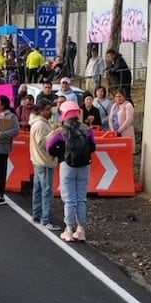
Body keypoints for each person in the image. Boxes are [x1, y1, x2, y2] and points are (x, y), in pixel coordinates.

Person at [47, 100, 97, 242]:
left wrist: (60, 153)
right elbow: (93, 147)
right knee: (81, 198)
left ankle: (68, 229)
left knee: (69, 199)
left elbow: (50, 147)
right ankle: (81, 230)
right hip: (84, 166)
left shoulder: (61, 131)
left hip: (67, 165)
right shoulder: (86, 129)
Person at [29, 99, 62, 230]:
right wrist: (54, 132)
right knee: (46, 190)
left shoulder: (39, 123)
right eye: (48, 110)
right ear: (41, 111)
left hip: (39, 160)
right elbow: (43, 143)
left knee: (38, 189)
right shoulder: (40, 125)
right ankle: (46, 219)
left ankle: (37, 214)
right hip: (44, 161)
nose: (50, 112)